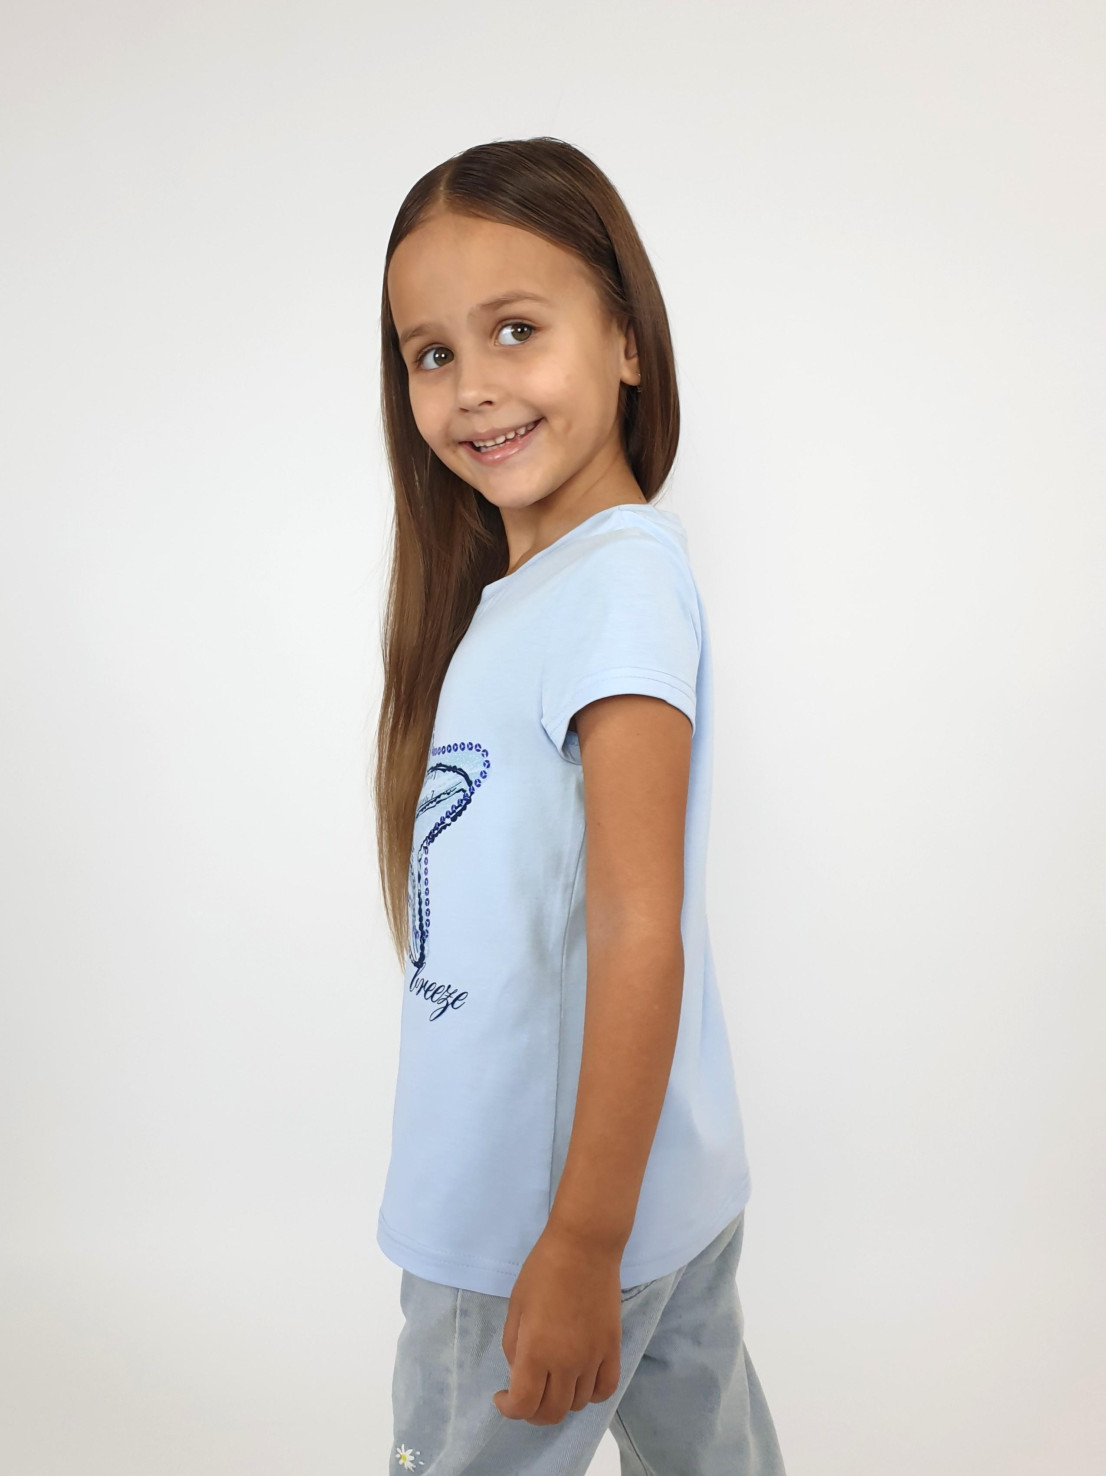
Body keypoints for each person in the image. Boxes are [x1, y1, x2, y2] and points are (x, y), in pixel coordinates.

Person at [371, 136, 787, 1474]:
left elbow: (637, 927)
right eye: (432, 352)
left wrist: (580, 1241)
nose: (473, 386)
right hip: (665, 1195)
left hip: (538, 1226)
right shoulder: (548, 595)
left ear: (626, 342)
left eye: (516, 330)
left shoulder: (612, 585)